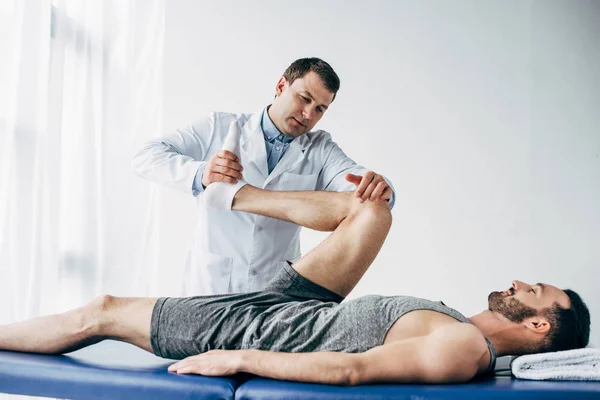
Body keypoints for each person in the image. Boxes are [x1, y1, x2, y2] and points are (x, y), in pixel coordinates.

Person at [0, 183, 590, 386]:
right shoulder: (463, 330)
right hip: (306, 305)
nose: (520, 282)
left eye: (534, 290)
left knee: (102, 310)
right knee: (374, 209)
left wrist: (235, 355)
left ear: (538, 325)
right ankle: (237, 195)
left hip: (269, 327)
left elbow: (350, 370)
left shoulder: (465, 348)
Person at [131, 57, 396, 295]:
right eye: (304, 98)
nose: (308, 114)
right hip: (213, 282)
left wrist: (380, 185)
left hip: (275, 290)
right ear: (281, 86)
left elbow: (354, 178)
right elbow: (145, 156)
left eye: (320, 109)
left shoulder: (320, 148)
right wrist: (201, 173)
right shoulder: (220, 127)